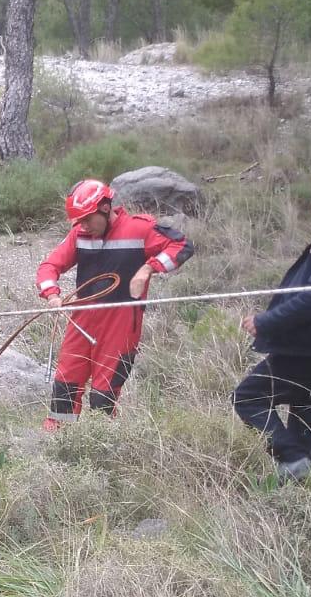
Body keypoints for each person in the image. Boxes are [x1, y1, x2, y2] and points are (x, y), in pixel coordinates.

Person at [35, 179, 193, 430]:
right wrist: (52, 294)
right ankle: (59, 442)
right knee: (66, 384)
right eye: (79, 221)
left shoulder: (139, 229)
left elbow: (181, 246)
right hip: (83, 317)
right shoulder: (80, 233)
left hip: (121, 322)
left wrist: (148, 268)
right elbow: (49, 266)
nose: (83, 225)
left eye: (87, 219)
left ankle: (99, 445)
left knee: (102, 395)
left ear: (105, 209)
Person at [232, 164, 311, 484]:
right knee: (306, 411)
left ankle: (291, 458)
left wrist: (267, 322)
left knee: (248, 396)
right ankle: (297, 492)